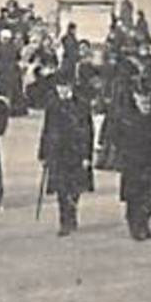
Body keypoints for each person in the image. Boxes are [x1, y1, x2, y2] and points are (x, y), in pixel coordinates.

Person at [113, 82, 151, 241]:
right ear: (134, 98)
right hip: (132, 162)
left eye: (147, 100)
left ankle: (143, 222)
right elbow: (116, 138)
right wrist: (120, 158)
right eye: (141, 100)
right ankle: (136, 226)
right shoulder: (126, 115)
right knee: (134, 196)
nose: (145, 103)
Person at [38, 73, 95, 237]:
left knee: (75, 187)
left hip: (76, 152)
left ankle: (72, 213)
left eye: (65, 87)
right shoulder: (52, 104)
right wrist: (43, 153)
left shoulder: (81, 105)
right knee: (61, 189)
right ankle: (65, 221)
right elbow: (47, 130)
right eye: (59, 87)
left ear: (71, 87)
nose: (62, 90)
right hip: (57, 153)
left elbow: (88, 132)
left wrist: (86, 156)